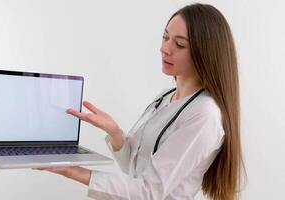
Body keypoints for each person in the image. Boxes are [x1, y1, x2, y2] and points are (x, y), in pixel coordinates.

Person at [34, 3, 245, 200]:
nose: (165, 48)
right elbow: (132, 168)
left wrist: (73, 171)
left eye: (179, 44)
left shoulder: (204, 115)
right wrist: (115, 132)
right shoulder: (165, 96)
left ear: (206, 53)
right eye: (165, 37)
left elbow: (148, 192)